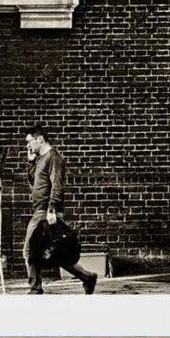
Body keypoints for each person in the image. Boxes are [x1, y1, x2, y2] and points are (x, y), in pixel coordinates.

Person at [23, 125, 98, 295]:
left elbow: (57, 185)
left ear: (39, 139)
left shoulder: (54, 158)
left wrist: (51, 209)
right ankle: (87, 277)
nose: (27, 145)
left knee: (30, 250)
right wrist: (31, 162)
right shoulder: (40, 158)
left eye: (29, 142)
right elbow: (33, 181)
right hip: (40, 211)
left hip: (46, 211)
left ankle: (35, 289)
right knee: (55, 253)